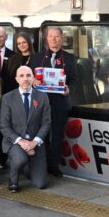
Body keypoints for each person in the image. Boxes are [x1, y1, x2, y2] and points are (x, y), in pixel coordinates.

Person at [31, 26, 79, 177]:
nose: (54, 39)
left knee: (57, 135)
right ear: (46, 39)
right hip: (41, 104)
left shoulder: (69, 58)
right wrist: (33, 81)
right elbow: (29, 76)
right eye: (51, 36)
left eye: (57, 36)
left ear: (62, 38)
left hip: (60, 103)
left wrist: (68, 88)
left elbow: (74, 80)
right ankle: (41, 165)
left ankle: (54, 166)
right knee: (41, 135)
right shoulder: (38, 58)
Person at [0, 66, 52, 192]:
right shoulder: (7, 98)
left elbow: (46, 123)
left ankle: (26, 167)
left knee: (41, 184)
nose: (25, 79)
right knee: (20, 159)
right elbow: (4, 126)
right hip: (15, 141)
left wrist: (34, 142)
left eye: (28, 75)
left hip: (35, 143)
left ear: (33, 78)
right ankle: (13, 179)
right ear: (17, 79)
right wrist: (22, 142)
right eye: (21, 76)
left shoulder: (42, 97)